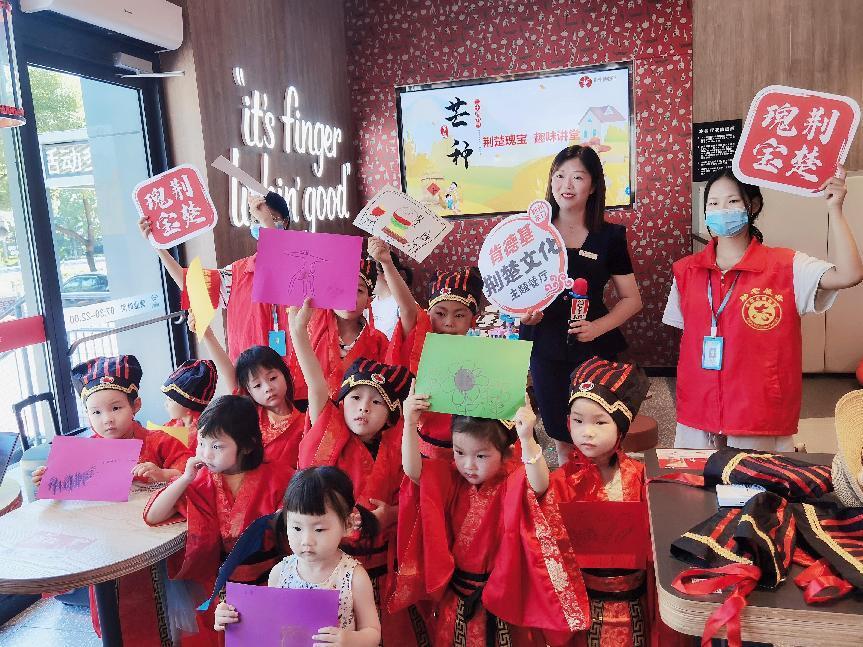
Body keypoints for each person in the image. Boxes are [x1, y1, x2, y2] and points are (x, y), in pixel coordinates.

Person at [663, 166, 863, 450]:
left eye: (732, 201)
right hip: (699, 407)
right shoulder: (686, 271)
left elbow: (849, 274)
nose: (722, 210)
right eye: (713, 203)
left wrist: (836, 210)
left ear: (753, 205)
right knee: (697, 477)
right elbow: (688, 336)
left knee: (755, 479)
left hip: (758, 411)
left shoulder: (786, 266)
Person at [394, 385, 590, 645]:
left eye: (481, 455)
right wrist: (409, 423)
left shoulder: (513, 482)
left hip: (502, 601)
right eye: (459, 452)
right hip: (458, 599)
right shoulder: (452, 479)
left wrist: (527, 438)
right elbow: (414, 472)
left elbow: (540, 484)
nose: (468, 465)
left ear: (505, 452)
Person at [288, 299, 428, 644]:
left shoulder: (400, 442)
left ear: (391, 413)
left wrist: (391, 514)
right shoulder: (329, 428)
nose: (363, 408)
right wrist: (299, 331)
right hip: (332, 570)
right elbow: (315, 384)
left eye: (376, 401)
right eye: (355, 398)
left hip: (385, 568)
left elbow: (417, 492)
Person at [29, 355, 192, 646]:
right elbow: (70, 497)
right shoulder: (85, 452)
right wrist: (51, 480)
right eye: (96, 412)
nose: (107, 419)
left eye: (116, 408)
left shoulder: (159, 442)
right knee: (112, 614)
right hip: (105, 543)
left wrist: (163, 473)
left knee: (157, 616)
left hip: (151, 545)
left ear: (135, 405)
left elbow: (191, 472)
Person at [543, 357, 684, 646]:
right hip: (585, 608)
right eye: (578, 421)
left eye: (600, 422)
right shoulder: (559, 482)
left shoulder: (642, 478)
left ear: (621, 428)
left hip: (634, 605)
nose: (587, 432)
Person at [519, 145, 642, 464]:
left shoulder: (609, 237)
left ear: (594, 185)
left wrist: (597, 328)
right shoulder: (532, 234)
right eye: (559, 176)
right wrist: (526, 316)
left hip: (594, 350)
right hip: (546, 347)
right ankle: (568, 493)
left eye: (577, 177)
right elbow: (517, 293)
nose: (566, 185)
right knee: (561, 436)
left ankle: (604, 490)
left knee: (598, 435)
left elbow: (632, 299)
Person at [144, 395, 295, 644]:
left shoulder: (279, 477)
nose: (206, 454)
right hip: (221, 588)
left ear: (247, 445)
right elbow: (153, 515)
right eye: (201, 443)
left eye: (217, 447)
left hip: (271, 581)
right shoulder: (201, 480)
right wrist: (184, 479)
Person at [213, 466, 382, 646]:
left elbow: (373, 633)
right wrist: (231, 618)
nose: (306, 540)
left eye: (319, 529)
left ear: (347, 525)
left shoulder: (353, 577)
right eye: (296, 528)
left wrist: (349, 640)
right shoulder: (280, 572)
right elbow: (270, 626)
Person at [138, 192, 293, 362]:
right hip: (251, 375)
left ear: (285, 222)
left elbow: (281, 265)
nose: (261, 223)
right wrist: (158, 246)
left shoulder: (302, 266)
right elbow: (190, 283)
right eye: (256, 219)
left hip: (299, 373)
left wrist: (267, 224)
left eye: (269, 218)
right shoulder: (236, 274)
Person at [370, 235, 486, 459]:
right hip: (425, 450)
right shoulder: (421, 337)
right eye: (440, 314)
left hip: (470, 453)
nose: (449, 322)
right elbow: (407, 307)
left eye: (459, 315)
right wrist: (386, 263)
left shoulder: (481, 354)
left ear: (473, 319)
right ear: (428, 313)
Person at [196, 311, 305, 467]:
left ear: (285, 374)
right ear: (248, 391)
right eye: (257, 385)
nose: (268, 388)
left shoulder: (304, 422)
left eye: (273, 378)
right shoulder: (250, 412)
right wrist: (207, 334)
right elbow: (227, 371)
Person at [289, 258, 390, 400]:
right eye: (342, 289)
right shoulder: (308, 333)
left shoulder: (379, 342)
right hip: (316, 410)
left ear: (369, 299)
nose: (350, 298)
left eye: (359, 290)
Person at [160, 359, 218, 449]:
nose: (166, 404)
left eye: (170, 400)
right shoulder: (172, 425)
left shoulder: (202, 437)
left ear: (188, 407)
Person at [369, 252, 413, 340]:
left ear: (386, 274)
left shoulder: (403, 304)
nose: (366, 276)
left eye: (371, 271)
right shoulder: (369, 304)